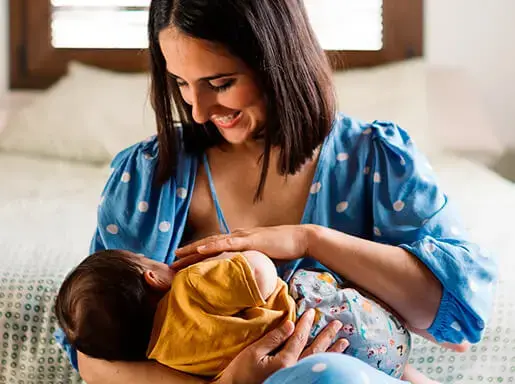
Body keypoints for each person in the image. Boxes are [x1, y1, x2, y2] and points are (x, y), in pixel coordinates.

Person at [54, 0, 497, 383]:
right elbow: (94, 360)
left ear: (275, 59)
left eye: (221, 83)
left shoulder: (376, 160)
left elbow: (451, 318)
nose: (199, 111)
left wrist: (309, 239)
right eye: (181, 84)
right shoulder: (148, 177)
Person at [55, 249, 414, 379]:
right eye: (151, 261)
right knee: (304, 279)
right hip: (339, 326)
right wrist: (229, 259)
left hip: (314, 367)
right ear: (154, 277)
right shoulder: (188, 286)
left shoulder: (166, 359)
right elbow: (259, 272)